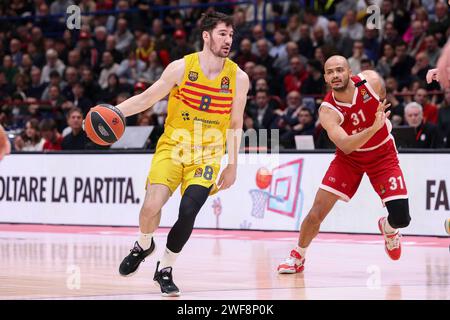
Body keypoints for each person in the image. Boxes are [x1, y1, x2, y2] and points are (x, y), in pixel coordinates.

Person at [109, 12, 249, 296]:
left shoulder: (239, 77)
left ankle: (165, 268)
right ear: (206, 36)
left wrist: (233, 165)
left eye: (231, 35)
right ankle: (144, 244)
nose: (228, 40)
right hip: (173, 147)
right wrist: (115, 112)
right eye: (222, 33)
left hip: (208, 154)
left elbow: (236, 124)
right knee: (151, 206)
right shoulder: (181, 68)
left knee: (189, 210)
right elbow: (147, 98)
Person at [278, 55, 410, 274]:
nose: (335, 75)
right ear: (325, 78)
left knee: (402, 218)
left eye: (340, 70)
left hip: (383, 154)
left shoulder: (372, 81)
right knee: (316, 212)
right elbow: (346, 146)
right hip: (349, 159)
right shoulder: (327, 110)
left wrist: (379, 124)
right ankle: (298, 256)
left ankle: (388, 229)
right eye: (330, 72)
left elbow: (385, 100)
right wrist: (372, 129)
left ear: (350, 72)